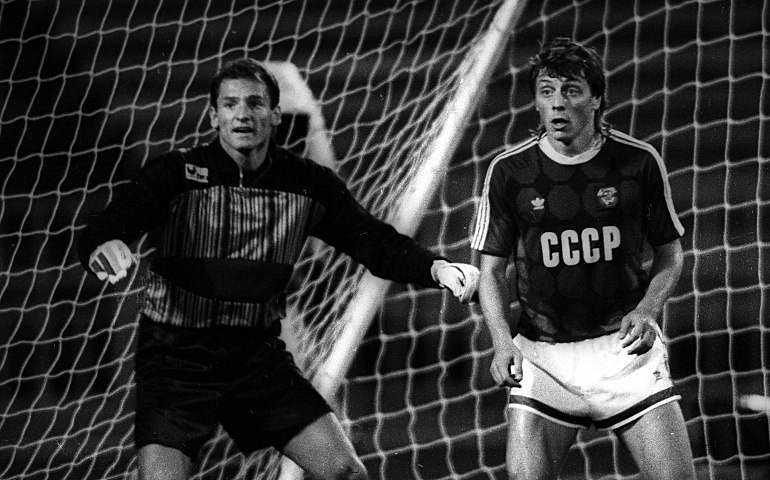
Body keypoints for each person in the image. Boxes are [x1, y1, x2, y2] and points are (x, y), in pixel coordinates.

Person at [78, 57, 479, 480]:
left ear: (275, 115)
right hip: (176, 362)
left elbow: (374, 241)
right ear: (214, 116)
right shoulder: (176, 175)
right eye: (230, 104)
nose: (242, 114)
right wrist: (105, 246)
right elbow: (108, 225)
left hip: (255, 358)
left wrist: (435, 268)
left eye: (255, 103)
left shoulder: (306, 183)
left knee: (346, 472)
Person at [470, 37, 696, 479]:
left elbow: (670, 256)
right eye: (547, 91)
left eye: (571, 90)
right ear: (537, 102)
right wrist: (500, 342)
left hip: (624, 352)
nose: (558, 103)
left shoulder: (638, 162)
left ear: (596, 99)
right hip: (543, 356)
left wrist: (648, 310)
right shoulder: (510, 172)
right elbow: (490, 271)